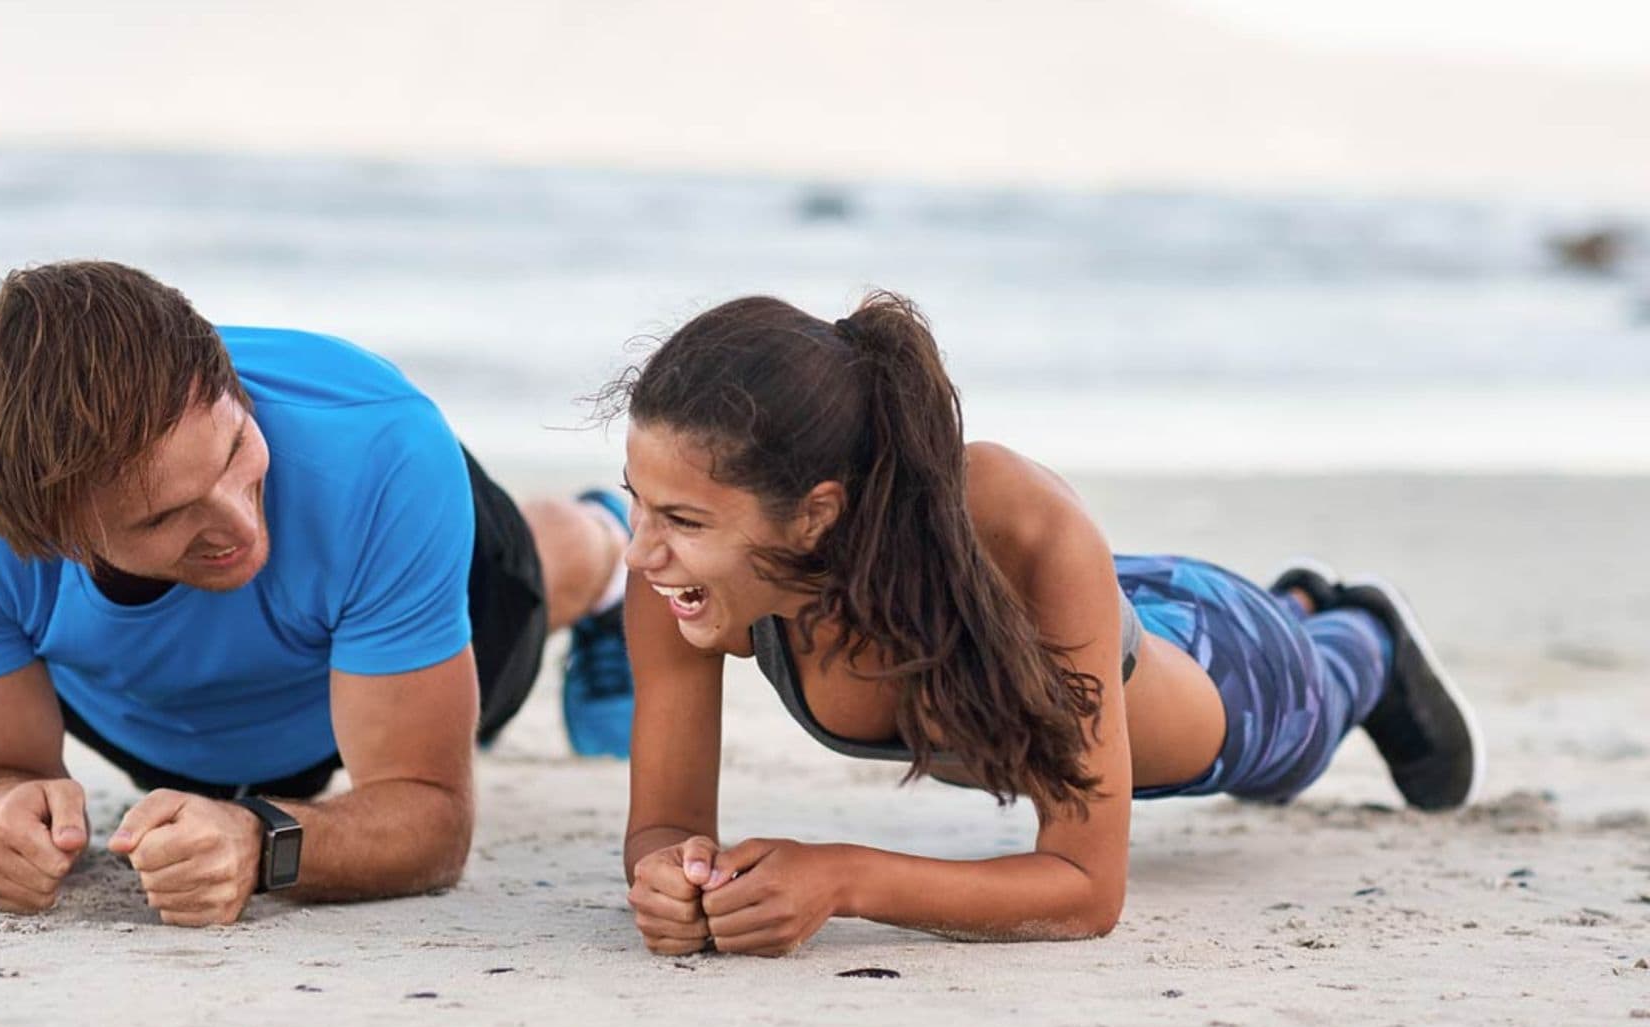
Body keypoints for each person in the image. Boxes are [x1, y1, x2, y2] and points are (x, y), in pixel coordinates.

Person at [615, 292, 1479, 956]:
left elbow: (1085, 889)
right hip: (1086, 607)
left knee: (1312, 717)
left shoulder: (1017, 521)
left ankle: (1362, 631)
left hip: (1229, 670)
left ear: (814, 515)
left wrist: (842, 877)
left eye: (684, 522)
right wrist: (669, 876)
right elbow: (662, 823)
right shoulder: (687, 582)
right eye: (636, 504)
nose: (641, 551)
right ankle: (1304, 607)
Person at [0, 260, 635, 926]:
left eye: (235, 447)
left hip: (375, 587)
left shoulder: (381, 448)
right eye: (165, 515)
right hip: (148, 704)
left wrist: (260, 842)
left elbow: (431, 816)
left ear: (229, 384)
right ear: (48, 533)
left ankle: (609, 544)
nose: (240, 524)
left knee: (541, 566)